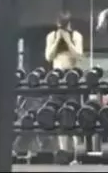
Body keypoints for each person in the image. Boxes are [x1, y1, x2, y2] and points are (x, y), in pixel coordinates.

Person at [45, 12, 83, 155]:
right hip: (57, 78)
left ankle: (77, 154)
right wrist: (57, 40)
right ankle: (63, 152)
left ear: (69, 24)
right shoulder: (52, 36)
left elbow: (78, 55)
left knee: (73, 115)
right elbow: (49, 57)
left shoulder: (76, 36)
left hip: (71, 78)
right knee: (59, 116)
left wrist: (67, 40)